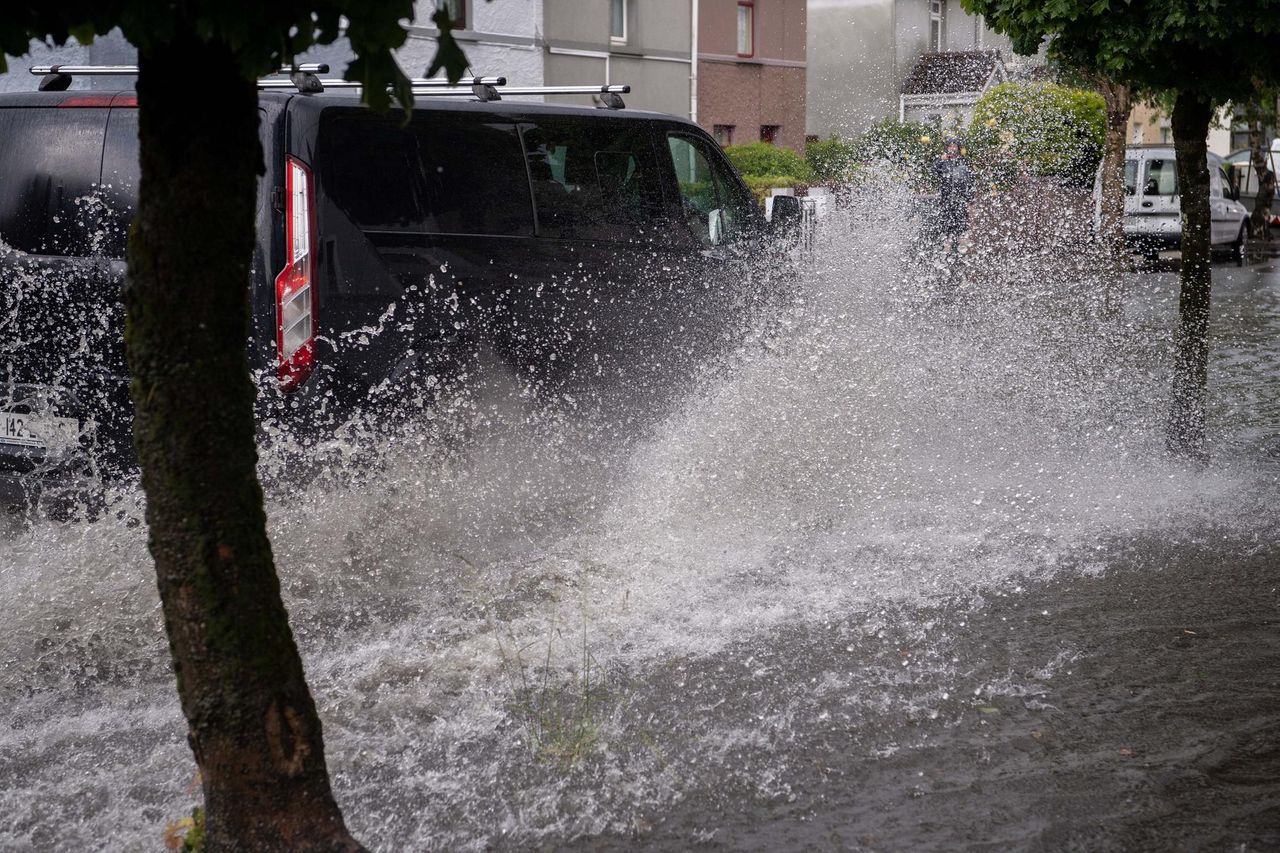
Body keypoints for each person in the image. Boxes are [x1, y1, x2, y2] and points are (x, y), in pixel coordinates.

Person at [932, 137, 976, 253]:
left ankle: (960, 248)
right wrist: (941, 160)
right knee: (946, 223)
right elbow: (933, 171)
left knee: (960, 223)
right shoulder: (942, 161)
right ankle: (946, 247)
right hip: (946, 198)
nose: (952, 148)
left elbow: (970, 180)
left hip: (959, 198)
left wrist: (970, 198)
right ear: (947, 148)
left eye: (954, 146)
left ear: (958, 148)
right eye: (950, 146)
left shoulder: (963, 161)